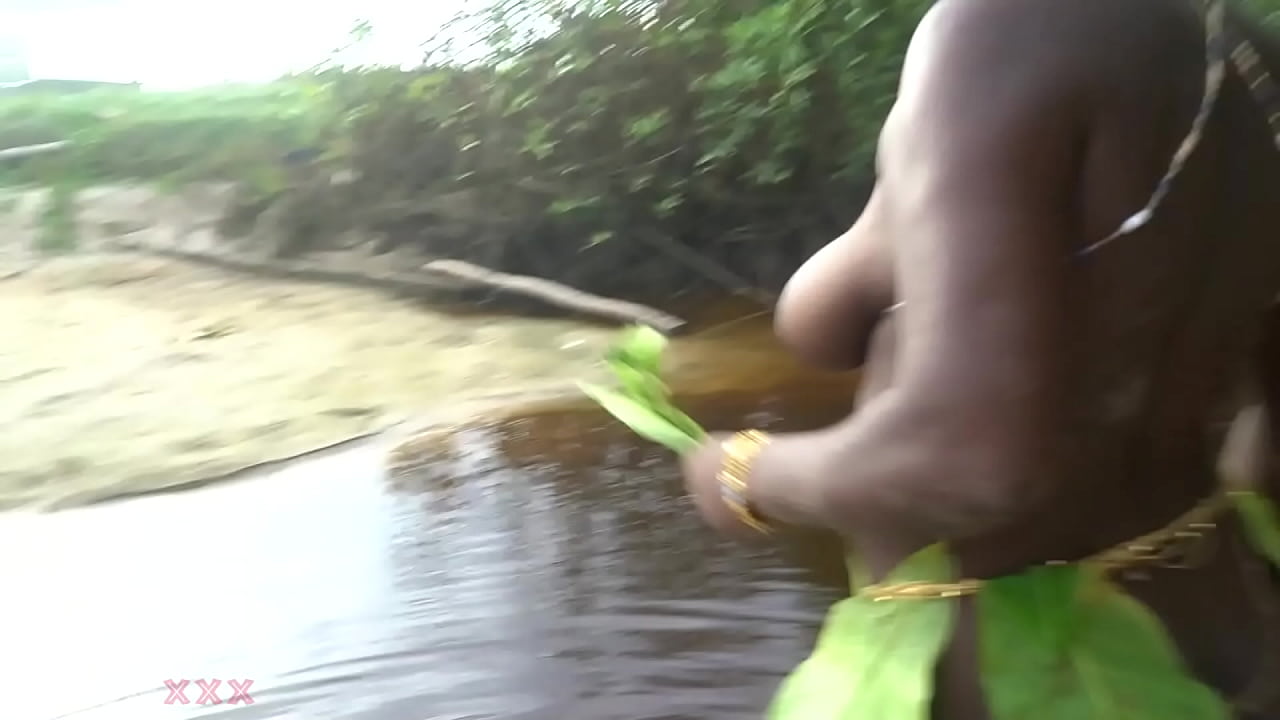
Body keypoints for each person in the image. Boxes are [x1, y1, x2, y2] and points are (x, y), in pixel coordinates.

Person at [678, 0, 1280, 717]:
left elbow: (973, 457)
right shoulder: (1252, 53)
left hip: (1024, 685)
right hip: (1230, 628)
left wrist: (740, 474)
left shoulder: (999, 26)